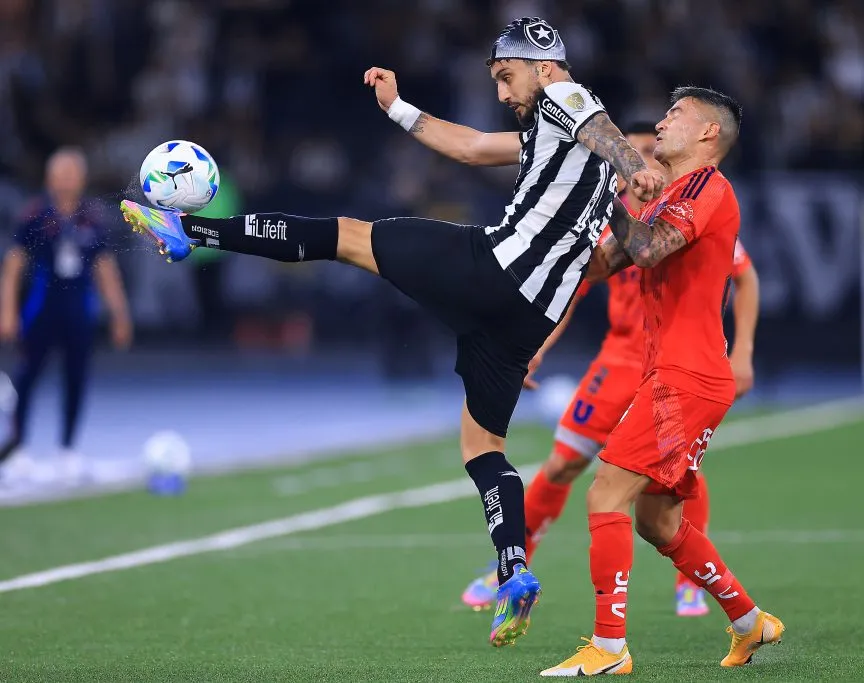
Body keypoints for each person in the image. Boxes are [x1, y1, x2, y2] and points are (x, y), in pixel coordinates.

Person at [118, 17, 663, 647]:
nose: (502, 92)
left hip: (495, 269)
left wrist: (637, 166)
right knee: (483, 447)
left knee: (346, 237)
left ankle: (191, 231)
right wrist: (398, 107)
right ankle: (513, 570)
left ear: (542, 66)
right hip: (526, 317)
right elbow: (474, 149)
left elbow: (597, 125)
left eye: (506, 76)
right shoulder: (573, 158)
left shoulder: (568, 97)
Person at [461, 123, 761, 619]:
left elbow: (743, 277)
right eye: (632, 153)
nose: (641, 163)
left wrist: (743, 351)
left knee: (670, 480)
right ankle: (511, 570)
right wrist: (533, 347)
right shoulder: (609, 219)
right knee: (564, 465)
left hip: (676, 366)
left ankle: (682, 591)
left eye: (649, 153)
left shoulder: (690, 208)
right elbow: (572, 289)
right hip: (620, 361)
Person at [539, 87, 783, 677]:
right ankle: (749, 620)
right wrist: (578, 213)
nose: (661, 122)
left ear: (708, 134)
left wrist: (606, 197)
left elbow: (647, 251)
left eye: (676, 114)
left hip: (685, 377)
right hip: (674, 374)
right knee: (657, 520)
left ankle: (610, 647)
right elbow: (605, 264)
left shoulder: (706, 187)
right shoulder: (667, 197)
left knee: (604, 495)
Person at [0, 147, 133, 481]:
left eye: (72, 173)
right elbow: (14, 266)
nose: (66, 180)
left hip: (79, 309)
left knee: (76, 378)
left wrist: (119, 313)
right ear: (49, 177)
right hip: (42, 308)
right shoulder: (35, 214)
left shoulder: (93, 216)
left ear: (82, 178)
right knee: (27, 378)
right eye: (60, 174)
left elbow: (105, 267)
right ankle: (17, 448)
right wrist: (8, 311)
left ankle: (67, 449)